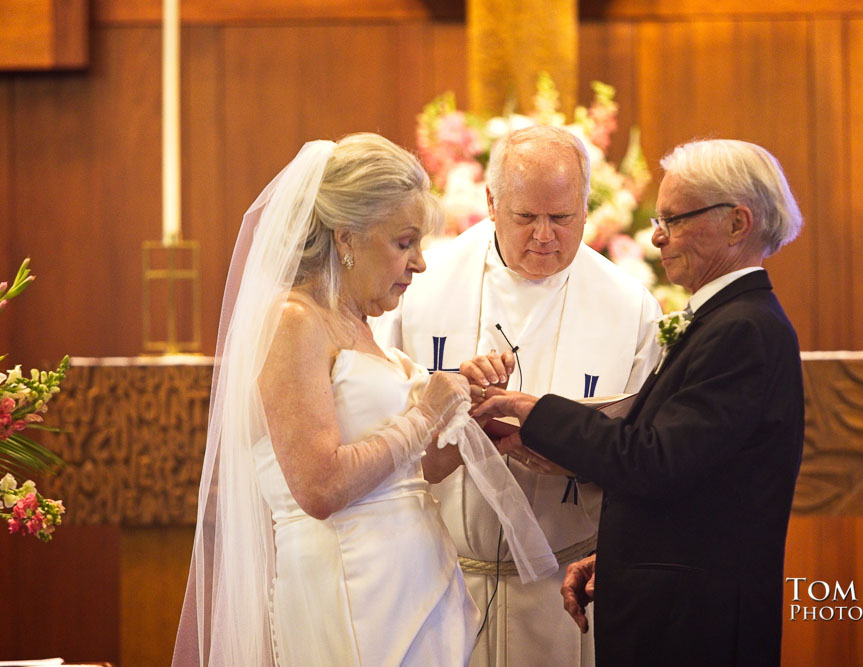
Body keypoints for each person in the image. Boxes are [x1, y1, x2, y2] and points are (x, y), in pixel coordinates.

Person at [171, 134, 554, 667]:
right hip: (350, 584)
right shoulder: (293, 321)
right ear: (346, 238)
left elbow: (409, 471)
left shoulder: (360, 325)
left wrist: (472, 423)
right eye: (404, 242)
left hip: (412, 578)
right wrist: (425, 414)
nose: (419, 264)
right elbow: (320, 486)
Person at [476, 138, 805, 666]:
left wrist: (537, 412)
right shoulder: (726, 321)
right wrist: (621, 559)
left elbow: (654, 459)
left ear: (738, 224)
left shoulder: (744, 329)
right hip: (677, 608)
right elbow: (697, 484)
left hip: (697, 628)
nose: (656, 237)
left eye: (673, 219)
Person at [373, 124, 661, 666]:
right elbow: (381, 422)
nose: (545, 236)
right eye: (527, 217)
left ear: (585, 205)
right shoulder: (422, 287)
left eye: (563, 217)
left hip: (567, 590)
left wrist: (573, 454)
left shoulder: (631, 308)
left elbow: (644, 455)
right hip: (441, 579)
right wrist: (453, 403)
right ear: (491, 203)